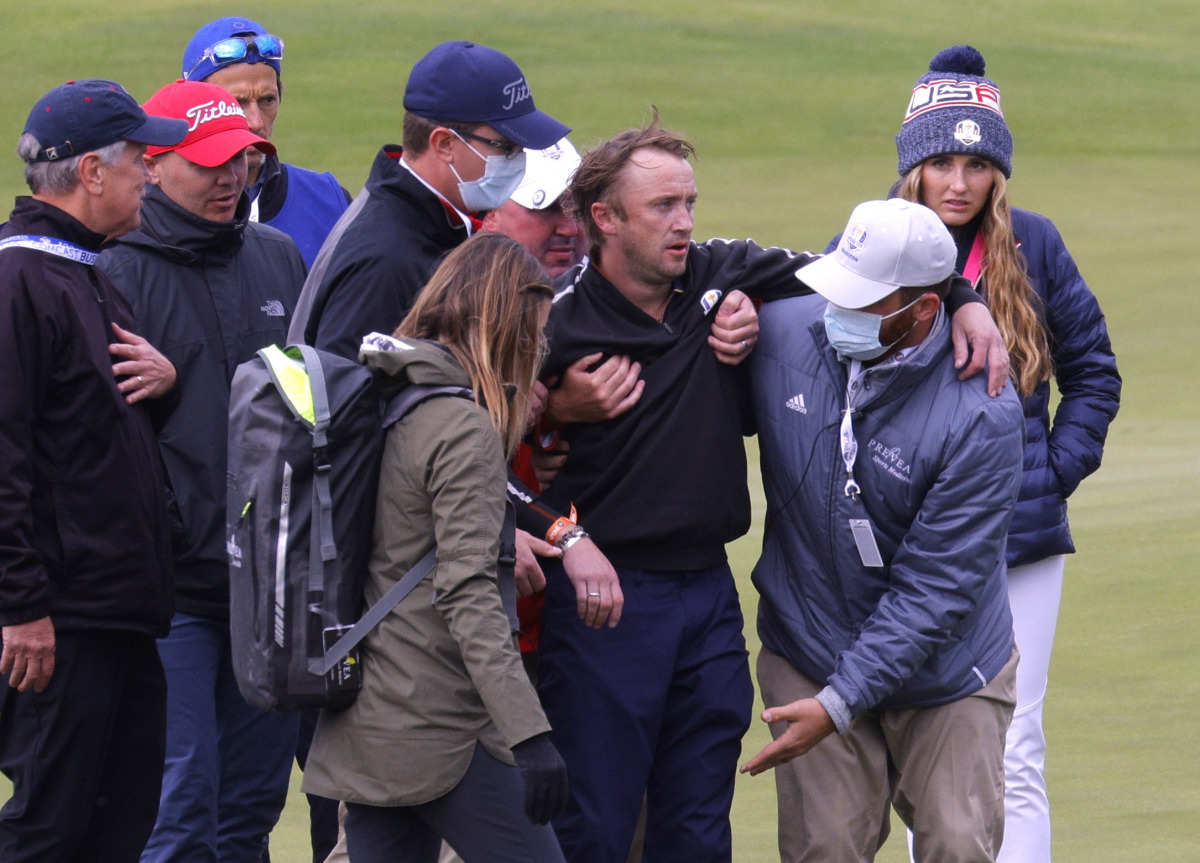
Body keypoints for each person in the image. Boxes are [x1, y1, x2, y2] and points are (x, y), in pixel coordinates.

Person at [532, 118, 1008, 863]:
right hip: (605, 598)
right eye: (662, 207)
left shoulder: (725, 276)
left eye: (689, 201)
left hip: (709, 598)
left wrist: (965, 296)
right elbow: (475, 453)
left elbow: (876, 272)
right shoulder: (553, 320)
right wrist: (559, 432)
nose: (685, 221)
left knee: (696, 827)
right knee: (595, 825)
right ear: (605, 217)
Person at [887, 45, 1121, 862]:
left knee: (1016, 740)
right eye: (942, 161)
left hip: (1020, 540)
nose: (960, 181)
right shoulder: (872, 243)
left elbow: (1093, 371)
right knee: (929, 736)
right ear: (913, 165)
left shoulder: (1033, 245)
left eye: (978, 162)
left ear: (998, 172)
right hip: (911, 540)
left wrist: (1052, 472)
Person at [741, 197, 1025, 863]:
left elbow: (933, 591)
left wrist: (840, 702)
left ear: (923, 312)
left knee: (958, 844)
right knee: (825, 848)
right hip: (808, 640)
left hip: (948, 666)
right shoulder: (783, 332)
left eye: (860, 301)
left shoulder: (980, 412)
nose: (835, 312)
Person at [302, 232, 569, 863]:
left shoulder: (387, 394)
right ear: (505, 328)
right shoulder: (464, 428)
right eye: (533, 333)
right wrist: (529, 735)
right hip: (442, 728)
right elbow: (468, 592)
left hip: (368, 716)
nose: (538, 350)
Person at [96, 79, 308, 863]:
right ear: (153, 165)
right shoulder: (112, 271)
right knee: (178, 807)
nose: (231, 179)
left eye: (244, 162)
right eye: (211, 162)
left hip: (271, 592)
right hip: (171, 594)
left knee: (249, 812)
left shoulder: (278, 258)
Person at [0, 79, 185, 863]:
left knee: (116, 826)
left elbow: (94, 436)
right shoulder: (19, 282)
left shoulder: (90, 275)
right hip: (60, 620)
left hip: (116, 611)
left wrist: (163, 393)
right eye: (141, 157)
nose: (152, 172)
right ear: (92, 173)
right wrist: (21, 606)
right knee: (49, 828)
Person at [288, 39, 570, 360]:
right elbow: (345, 398)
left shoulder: (438, 222)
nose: (518, 160)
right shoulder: (384, 259)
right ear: (445, 144)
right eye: (506, 147)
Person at [182, 15, 350, 266]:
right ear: (192, 108)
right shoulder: (154, 214)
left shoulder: (329, 201)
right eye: (236, 103)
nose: (256, 122)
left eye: (267, 100)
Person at [482, 137, 585, 279]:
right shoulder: (454, 296)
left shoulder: (619, 288)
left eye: (578, 208)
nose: (570, 229)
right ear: (490, 212)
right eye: (547, 208)